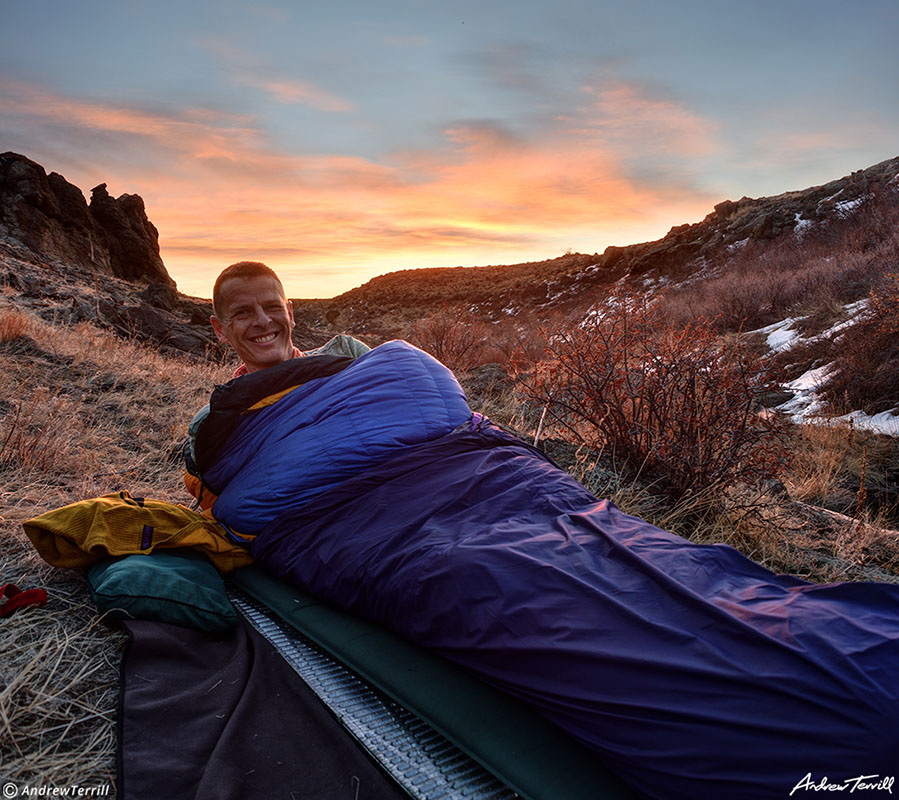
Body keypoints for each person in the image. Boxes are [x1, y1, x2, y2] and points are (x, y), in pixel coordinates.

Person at [210, 261, 370, 377]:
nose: (263, 321)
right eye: (243, 312)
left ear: (290, 314)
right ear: (220, 329)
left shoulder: (348, 353)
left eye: (272, 307)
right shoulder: (218, 417)